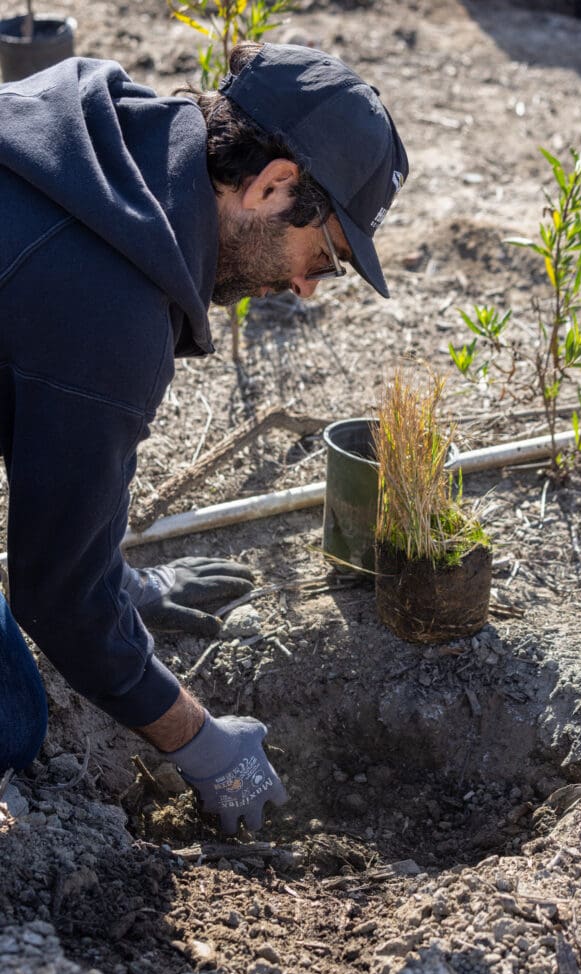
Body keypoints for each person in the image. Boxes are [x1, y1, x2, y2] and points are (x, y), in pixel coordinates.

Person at [0, 40, 408, 833]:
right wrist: (201, 743)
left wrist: (119, 584)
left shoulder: (94, 130)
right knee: (12, 720)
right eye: (324, 256)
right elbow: (56, 599)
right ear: (270, 185)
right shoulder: (107, 309)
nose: (303, 286)